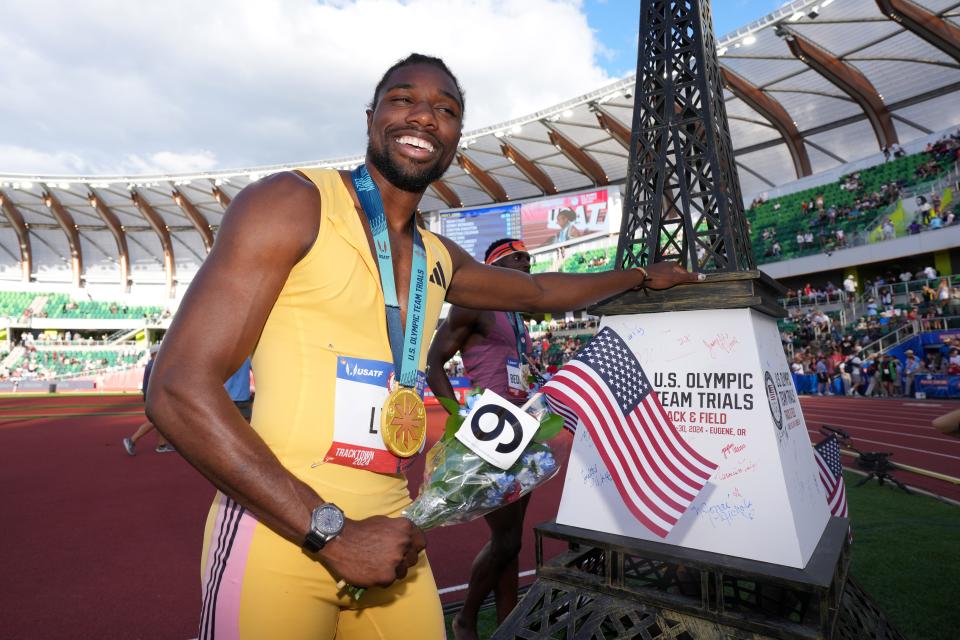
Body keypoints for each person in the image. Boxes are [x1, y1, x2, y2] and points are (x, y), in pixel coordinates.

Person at [144, 53, 702, 640]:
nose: (425, 116)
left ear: (457, 138)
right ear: (371, 117)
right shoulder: (291, 203)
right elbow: (178, 388)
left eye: (446, 109)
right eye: (404, 99)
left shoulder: (438, 257)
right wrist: (330, 531)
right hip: (280, 532)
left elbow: (538, 290)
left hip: (393, 533)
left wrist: (637, 276)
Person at [426, 237, 537, 640]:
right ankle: (466, 619)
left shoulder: (517, 313)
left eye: (528, 257)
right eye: (517, 258)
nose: (527, 263)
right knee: (505, 538)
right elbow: (433, 361)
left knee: (512, 540)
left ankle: (508, 622)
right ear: (494, 266)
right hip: (491, 431)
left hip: (524, 428)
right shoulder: (474, 304)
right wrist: (458, 419)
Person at [122, 344, 174, 455]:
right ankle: (132, 440)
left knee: (161, 422)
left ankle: (161, 445)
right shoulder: (156, 365)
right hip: (155, 397)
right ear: (156, 353)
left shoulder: (151, 364)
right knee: (155, 421)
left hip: (152, 397)